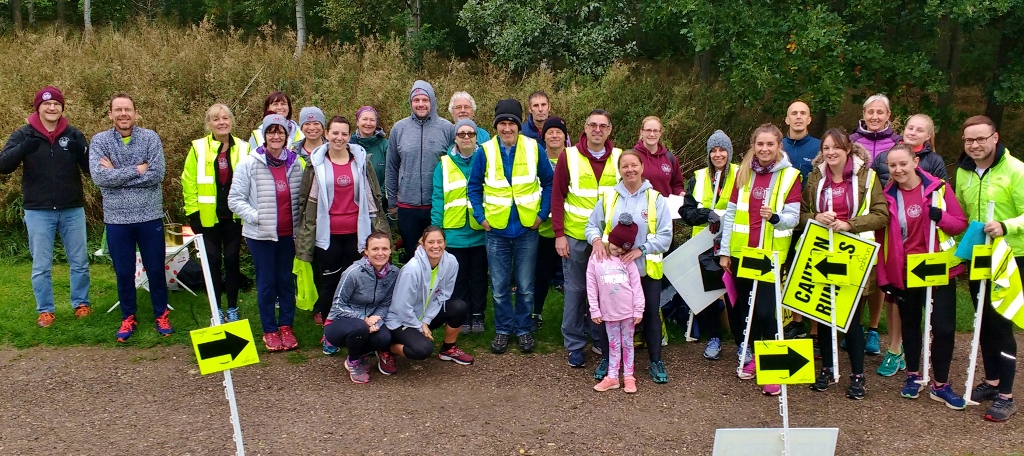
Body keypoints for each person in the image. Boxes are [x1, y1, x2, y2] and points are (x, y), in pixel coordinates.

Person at [876, 144, 967, 408]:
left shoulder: (937, 188)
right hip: (905, 272)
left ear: (915, 161)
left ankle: (941, 383)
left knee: (943, 327)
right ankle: (914, 375)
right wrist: (885, 278)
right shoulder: (887, 196)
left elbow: (959, 223)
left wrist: (941, 218)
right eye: (892, 166)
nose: (898, 170)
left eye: (903, 163)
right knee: (910, 326)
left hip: (938, 267)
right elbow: (881, 241)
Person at [800, 128, 889, 400]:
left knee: (851, 318)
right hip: (822, 251)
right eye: (826, 148)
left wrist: (849, 224)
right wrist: (817, 217)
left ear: (847, 149)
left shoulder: (868, 177)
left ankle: (858, 375)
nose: (830, 152)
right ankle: (828, 368)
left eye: (836, 147)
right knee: (824, 314)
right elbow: (801, 214)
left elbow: (881, 214)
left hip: (855, 253)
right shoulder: (815, 177)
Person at [719, 124, 802, 396]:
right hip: (744, 255)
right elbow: (730, 216)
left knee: (767, 313)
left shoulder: (790, 176)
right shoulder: (742, 173)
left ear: (779, 146)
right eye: (760, 144)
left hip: (771, 257)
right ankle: (755, 357)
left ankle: (774, 368)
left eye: (770, 144)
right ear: (753, 145)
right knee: (748, 311)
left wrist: (776, 218)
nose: (764, 149)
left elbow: (794, 217)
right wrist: (725, 251)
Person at [0, 86, 91, 328]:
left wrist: (81, 151)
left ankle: (81, 303)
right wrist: (22, 149)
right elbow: (3, 165)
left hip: (72, 208)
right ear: (38, 107)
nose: (52, 108)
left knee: (79, 261)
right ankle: (46, 310)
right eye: (46, 104)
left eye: (56, 104)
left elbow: (92, 169)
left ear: (62, 108)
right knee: (41, 265)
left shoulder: (73, 134)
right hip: (38, 210)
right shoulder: (23, 134)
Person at [468, 99, 554, 354]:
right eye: (502, 124)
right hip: (496, 230)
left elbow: (548, 182)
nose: (507, 128)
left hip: (528, 228)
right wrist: (482, 218)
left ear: (518, 125)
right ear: (496, 126)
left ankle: (524, 329)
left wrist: (542, 214)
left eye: (511, 123)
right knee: (499, 286)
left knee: (526, 286)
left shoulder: (534, 148)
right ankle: (504, 329)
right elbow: (474, 186)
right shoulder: (484, 150)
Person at [89, 93, 172, 342]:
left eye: (128, 109)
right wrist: (137, 169)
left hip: (149, 216)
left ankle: (161, 314)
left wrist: (117, 174)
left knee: (156, 268)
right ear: (110, 114)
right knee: (124, 271)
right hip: (116, 219)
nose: (123, 114)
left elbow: (157, 174)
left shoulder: (150, 138)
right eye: (118, 110)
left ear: (136, 113)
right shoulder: (100, 141)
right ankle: (128, 316)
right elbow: (100, 177)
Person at [871, 113, 949, 377]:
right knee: (903, 311)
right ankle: (900, 353)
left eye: (920, 129)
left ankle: (934, 373)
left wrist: (942, 217)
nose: (897, 169)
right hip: (899, 254)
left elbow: (950, 215)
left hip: (929, 257)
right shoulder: (887, 170)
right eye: (910, 127)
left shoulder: (934, 169)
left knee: (935, 319)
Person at [586, 150, 673, 384]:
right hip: (612, 273)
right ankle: (608, 359)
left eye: (634, 165)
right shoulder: (608, 197)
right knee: (609, 316)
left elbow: (666, 236)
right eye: (625, 166)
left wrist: (641, 250)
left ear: (642, 167)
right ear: (619, 170)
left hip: (645, 270)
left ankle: (655, 361)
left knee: (650, 314)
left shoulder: (656, 199)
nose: (630, 170)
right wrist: (596, 241)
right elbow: (592, 226)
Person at [956, 115, 1021, 422]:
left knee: (1001, 325)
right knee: (982, 321)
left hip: (1010, 257)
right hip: (979, 257)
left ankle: (1007, 395)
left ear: (995, 138)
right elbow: (962, 212)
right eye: (970, 140)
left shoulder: (1016, 170)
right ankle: (992, 381)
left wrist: (1006, 226)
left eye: (981, 138)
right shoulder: (963, 172)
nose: (975, 145)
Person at [297, 116, 383, 328]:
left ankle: (355, 325)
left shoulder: (361, 161)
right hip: (327, 236)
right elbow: (305, 200)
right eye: (335, 133)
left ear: (349, 135)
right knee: (330, 284)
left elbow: (374, 196)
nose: (339, 137)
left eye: (344, 133)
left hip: (357, 234)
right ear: (326, 134)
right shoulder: (315, 163)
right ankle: (330, 330)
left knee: (356, 283)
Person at [551, 110, 620, 368]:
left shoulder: (619, 157)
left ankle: (599, 339)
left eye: (603, 126)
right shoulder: (568, 156)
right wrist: (559, 234)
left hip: (608, 241)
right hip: (576, 237)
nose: (598, 130)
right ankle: (574, 345)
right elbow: (557, 197)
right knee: (576, 291)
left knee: (605, 293)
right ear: (585, 128)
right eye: (593, 125)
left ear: (610, 130)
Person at [229, 114, 304, 352]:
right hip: (261, 235)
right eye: (271, 131)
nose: (276, 136)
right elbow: (235, 200)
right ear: (264, 135)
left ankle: (286, 326)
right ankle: (269, 329)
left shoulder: (295, 163)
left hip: (287, 235)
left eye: (280, 132)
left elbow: (301, 200)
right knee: (266, 283)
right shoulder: (249, 163)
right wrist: (257, 217)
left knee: (286, 282)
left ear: (286, 135)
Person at [181, 103, 251, 323]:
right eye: (216, 119)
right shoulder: (198, 147)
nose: (221, 122)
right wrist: (193, 213)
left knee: (231, 261)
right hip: (206, 217)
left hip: (234, 216)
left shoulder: (243, 147)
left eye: (225, 118)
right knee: (211, 262)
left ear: (231, 121)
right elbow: (188, 180)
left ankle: (231, 308)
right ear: (209, 123)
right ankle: (216, 309)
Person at [679, 130, 738, 361]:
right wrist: (706, 214)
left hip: (733, 242)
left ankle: (742, 340)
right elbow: (686, 211)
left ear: (729, 152)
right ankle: (714, 337)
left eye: (722, 149)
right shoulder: (699, 177)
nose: (717, 154)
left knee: (735, 294)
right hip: (704, 245)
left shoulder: (741, 174)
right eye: (713, 150)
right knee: (711, 295)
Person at [851, 93, 902, 357]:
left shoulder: (898, 143)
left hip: (886, 216)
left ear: (888, 115)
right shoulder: (850, 142)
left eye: (880, 112)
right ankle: (854, 326)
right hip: (857, 217)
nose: (874, 117)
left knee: (879, 272)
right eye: (870, 112)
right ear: (863, 113)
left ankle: (873, 328)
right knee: (858, 270)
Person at [384, 226, 474, 369]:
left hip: (424, 315)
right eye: (431, 242)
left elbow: (443, 295)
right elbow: (401, 307)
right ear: (423, 244)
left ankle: (448, 349)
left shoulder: (451, 262)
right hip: (400, 320)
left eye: (440, 241)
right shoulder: (411, 269)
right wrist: (420, 326)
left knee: (459, 307)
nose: (436, 246)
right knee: (422, 350)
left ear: (445, 243)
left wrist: (426, 320)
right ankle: (387, 349)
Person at [385, 80, 455, 263]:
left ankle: (439, 291)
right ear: (411, 103)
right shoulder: (399, 129)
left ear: (432, 101)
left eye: (425, 99)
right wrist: (392, 201)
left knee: (437, 256)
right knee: (413, 257)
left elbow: (455, 165)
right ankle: (415, 292)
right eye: (416, 100)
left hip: (437, 206)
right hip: (407, 207)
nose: (421, 104)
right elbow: (392, 166)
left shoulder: (447, 128)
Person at [432, 119, 488, 334]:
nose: (466, 137)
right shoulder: (443, 164)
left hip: (480, 230)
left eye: (470, 133)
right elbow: (438, 198)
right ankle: (462, 315)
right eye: (461, 133)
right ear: (455, 137)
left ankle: (478, 314)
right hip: (453, 232)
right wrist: (437, 230)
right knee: (459, 277)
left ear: (476, 137)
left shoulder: (485, 160)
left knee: (480, 275)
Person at [323, 232, 399, 383]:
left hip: (370, 319)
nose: (380, 253)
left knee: (384, 338)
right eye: (375, 249)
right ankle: (353, 361)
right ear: (366, 251)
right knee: (359, 328)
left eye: (385, 249)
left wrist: (375, 322)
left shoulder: (394, 273)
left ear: (390, 251)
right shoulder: (353, 273)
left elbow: (385, 303)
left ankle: (362, 352)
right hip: (341, 322)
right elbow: (338, 305)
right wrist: (364, 320)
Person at [589, 214, 646, 394]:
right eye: (616, 246)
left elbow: (636, 286)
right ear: (610, 239)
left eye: (624, 248)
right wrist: (594, 309)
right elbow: (591, 286)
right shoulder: (596, 259)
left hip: (628, 312)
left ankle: (629, 376)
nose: (619, 251)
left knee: (628, 343)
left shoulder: (627, 261)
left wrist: (639, 309)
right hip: (609, 312)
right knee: (613, 344)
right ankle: (613, 376)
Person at [780, 101, 820, 341]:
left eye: (802, 113)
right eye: (793, 113)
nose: (797, 117)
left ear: (809, 119)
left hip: (808, 218)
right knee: (784, 271)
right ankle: (791, 322)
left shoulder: (817, 147)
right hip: (779, 220)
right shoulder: (777, 146)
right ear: (786, 119)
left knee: (808, 272)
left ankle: (814, 329)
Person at [533, 116, 569, 331]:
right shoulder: (536, 159)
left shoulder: (574, 158)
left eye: (559, 132)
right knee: (540, 274)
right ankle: (535, 313)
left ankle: (579, 317)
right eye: (550, 132)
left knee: (573, 279)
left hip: (568, 228)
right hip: (543, 228)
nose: (554, 135)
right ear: (543, 136)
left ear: (565, 136)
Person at [871, 114, 948, 186]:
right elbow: (870, 188)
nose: (913, 133)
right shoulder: (882, 157)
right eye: (910, 128)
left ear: (928, 136)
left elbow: (943, 191)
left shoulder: (934, 161)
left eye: (919, 130)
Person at [634, 116, 685, 197]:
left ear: (660, 133)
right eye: (648, 130)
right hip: (639, 208)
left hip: (664, 207)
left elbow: (677, 185)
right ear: (641, 132)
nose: (652, 134)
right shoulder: (632, 156)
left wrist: (680, 193)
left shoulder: (670, 158)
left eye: (655, 131)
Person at [352, 106, 389, 210]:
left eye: (372, 120)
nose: (368, 123)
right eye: (364, 119)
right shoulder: (348, 145)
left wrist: (378, 199)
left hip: (381, 206)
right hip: (353, 206)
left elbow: (391, 175)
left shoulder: (386, 146)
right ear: (357, 121)